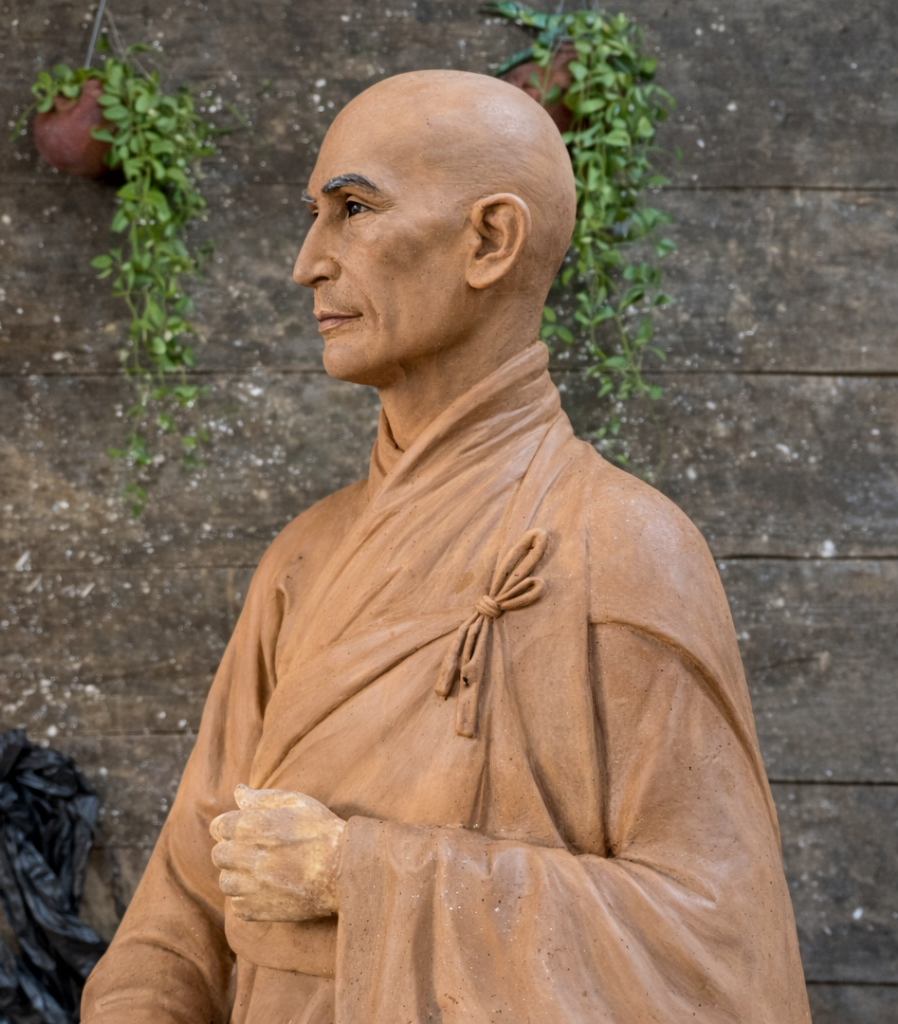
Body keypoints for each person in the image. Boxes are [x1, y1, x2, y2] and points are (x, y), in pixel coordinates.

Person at [81, 70, 811, 1024]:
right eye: (316, 215)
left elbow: (719, 949)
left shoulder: (627, 549)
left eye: (352, 209)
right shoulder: (302, 560)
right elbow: (180, 914)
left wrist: (358, 873)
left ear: (489, 240)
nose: (307, 262)